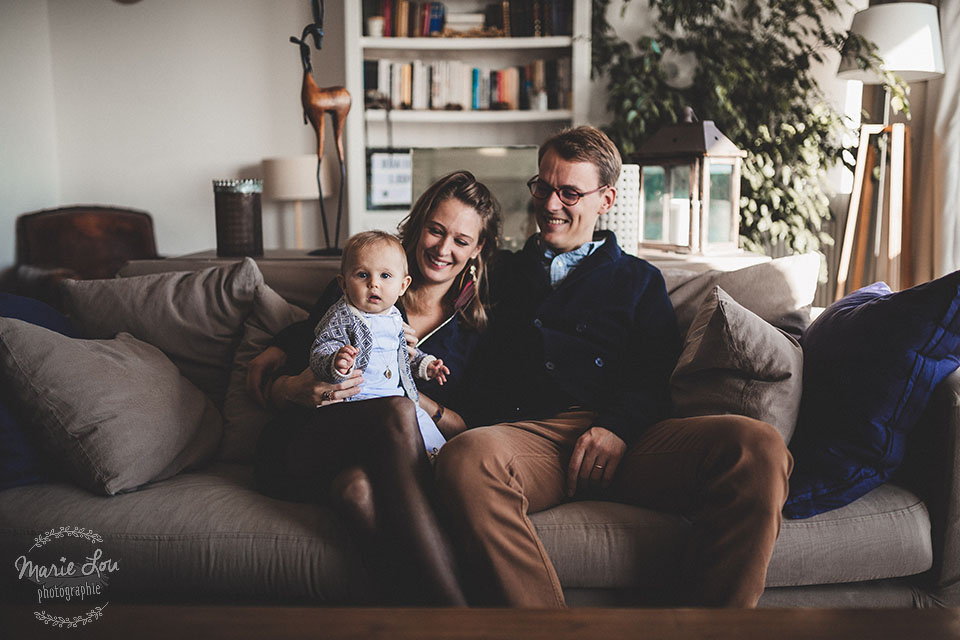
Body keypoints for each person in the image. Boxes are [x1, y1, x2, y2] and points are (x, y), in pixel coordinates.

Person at [435, 126, 793, 608]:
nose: (550, 203)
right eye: (543, 186)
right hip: (530, 437)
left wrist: (617, 426)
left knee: (759, 445)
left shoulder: (637, 280)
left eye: (569, 192)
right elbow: (443, 330)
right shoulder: (497, 274)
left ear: (605, 199)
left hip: (631, 438)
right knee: (467, 456)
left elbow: (656, 372)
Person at [246, 171, 501, 605]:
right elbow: (308, 342)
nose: (443, 249)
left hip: (388, 462)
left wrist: (412, 395)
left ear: (477, 250)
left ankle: (414, 617)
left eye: (460, 240)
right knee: (392, 419)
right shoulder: (361, 279)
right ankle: (458, 617)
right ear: (418, 226)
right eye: (436, 230)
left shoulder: (476, 332)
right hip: (313, 443)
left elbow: (470, 428)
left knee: (357, 492)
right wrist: (286, 381)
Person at [309, 230, 450, 456]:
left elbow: (403, 356)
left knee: (431, 441)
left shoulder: (394, 317)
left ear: (403, 286)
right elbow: (320, 349)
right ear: (343, 285)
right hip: (357, 404)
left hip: (399, 402)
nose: (374, 284)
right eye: (363, 275)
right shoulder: (343, 317)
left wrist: (426, 365)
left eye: (385, 276)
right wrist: (336, 362)